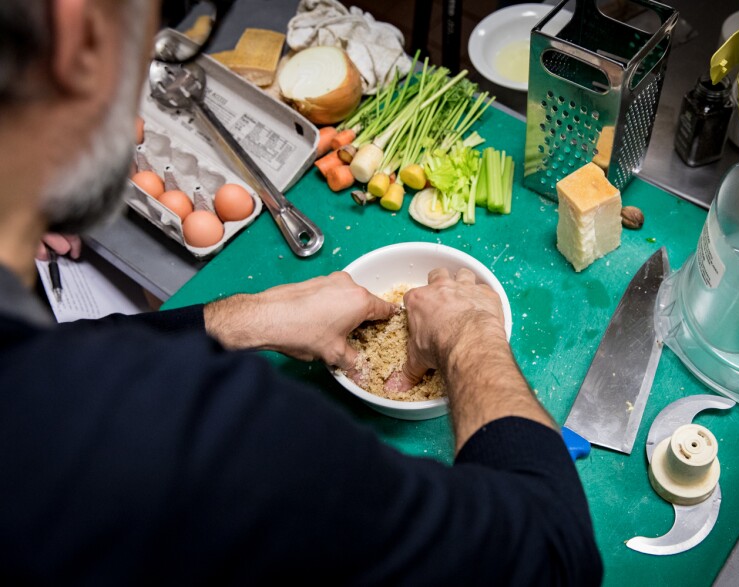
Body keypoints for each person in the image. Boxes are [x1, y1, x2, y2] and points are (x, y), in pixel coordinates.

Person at [0, 1, 603, 584]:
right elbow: (551, 554)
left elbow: (60, 358)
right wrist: (470, 333)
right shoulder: (205, 428)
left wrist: (245, 318)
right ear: (79, 31)